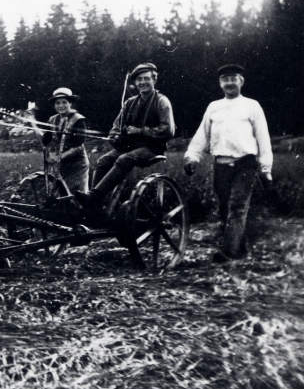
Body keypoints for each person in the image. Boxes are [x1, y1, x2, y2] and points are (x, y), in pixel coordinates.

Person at [183, 63, 273, 263]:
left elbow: (263, 138)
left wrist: (266, 168)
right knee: (225, 209)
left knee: (237, 207)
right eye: (225, 79)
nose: (229, 83)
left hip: (246, 164)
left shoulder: (252, 105)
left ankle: (229, 253)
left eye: (233, 78)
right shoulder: (214, 107)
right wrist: (192, 157)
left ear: (241, 81)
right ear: (220, 83)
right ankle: (241, 251)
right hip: (221, 166)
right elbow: (201, 135)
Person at [77, 62, 175, 209]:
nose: (143, 82)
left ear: (154, 80)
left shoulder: (162, 101)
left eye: (146, 78)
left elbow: (168, 130)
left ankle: (93, 197)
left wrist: (140, 131)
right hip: (129, 147)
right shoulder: (129, 103)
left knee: (124, 159)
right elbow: (116, 127)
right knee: (103, 161)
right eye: (139, 79)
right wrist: (115, 136)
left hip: (152, 148)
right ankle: (94, 209)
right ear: (135, 82)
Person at [39, 88, 90, 192]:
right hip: (62, 165)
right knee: (61, 194)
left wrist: (60, 157)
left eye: (64, 102)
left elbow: (79, 145)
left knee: (76, 195)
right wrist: (51, 154)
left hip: (77, 165)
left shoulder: (78, 120)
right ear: (54, 105)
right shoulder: (52, 120)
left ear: (70, 103)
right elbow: (46, 140)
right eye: (57, 103)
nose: (60, 106)